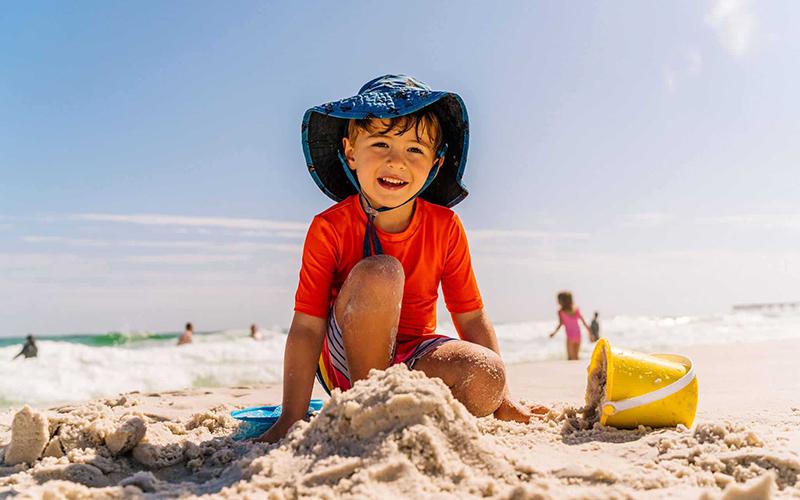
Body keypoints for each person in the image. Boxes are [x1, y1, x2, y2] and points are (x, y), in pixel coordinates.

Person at [259, 75, 543, 443]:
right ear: (350, 152)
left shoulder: (445, 226)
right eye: (380, 144)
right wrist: (290, 418)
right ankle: (367, 407)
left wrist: (504, 399)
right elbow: (307, 327)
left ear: (436, 164)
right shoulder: (329, 227)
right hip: (346, 362)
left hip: (413, 354)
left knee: (486, 374)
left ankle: (404, 412)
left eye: (415, 150)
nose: (397, 161)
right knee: (382, 271)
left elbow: (470, 315)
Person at [549, 291, 592, 360]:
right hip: (578, 336)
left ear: (562, 301)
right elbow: (584, 323)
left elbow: (560, 324)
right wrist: (590, 333)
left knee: (570, 358)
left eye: (558, 300)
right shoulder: (576, 310)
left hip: (570, 337)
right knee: (576, 357)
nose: (557, 301)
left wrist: (554, 333)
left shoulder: (561, 312)